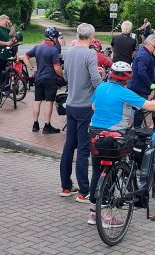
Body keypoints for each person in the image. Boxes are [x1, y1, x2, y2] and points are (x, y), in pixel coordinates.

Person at [87, 62, 155, 225]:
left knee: (98, 172)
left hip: (94, 133)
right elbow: (149, 105)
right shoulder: (125, 92)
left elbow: (93, 106)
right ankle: (107, 214)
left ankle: (93, 213)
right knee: (117, 165)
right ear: (127, 78)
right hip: (115, 136)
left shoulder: (101, 88)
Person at [59, 23, 103, 203]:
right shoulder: (90, 54)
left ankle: (65, 186)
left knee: (69, 145)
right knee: (84, 149)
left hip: (70, 104)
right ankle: (84, 190)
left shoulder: (69, 52)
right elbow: (95, 81)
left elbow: (66, 76)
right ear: (91, 37)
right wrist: (101, 81)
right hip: (85, 106)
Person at [24, 26, 65, 134]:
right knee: (48, 102)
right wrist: (64, 76)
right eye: (56, 37)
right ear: (53, 38)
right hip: (50, 79)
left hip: (38, 78)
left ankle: (35, 124)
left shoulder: (37, 47)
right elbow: (57, 68)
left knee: (37, 101)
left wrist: (31, 68)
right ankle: (47, 126)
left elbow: (25, 56)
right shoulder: (53, 50)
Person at [128, 34, 155, 127]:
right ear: (149, 44)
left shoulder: (144, 52)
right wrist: (150, 84)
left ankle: (137, 127)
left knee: (139, 109)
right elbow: (142, 72)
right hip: (139, 87)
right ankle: (137, 130)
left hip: (139, 86)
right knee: (140, 110)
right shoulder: (143, 55)